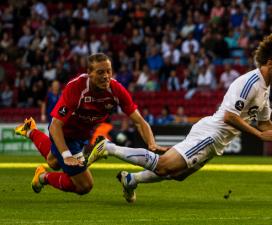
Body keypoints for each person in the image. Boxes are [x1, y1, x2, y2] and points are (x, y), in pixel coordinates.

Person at [87, 34, 272, 203]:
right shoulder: (250, 83)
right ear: (270, 63)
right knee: (165, 167)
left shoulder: (265, 88)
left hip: (217, 141)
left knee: (178, 175)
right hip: (212, 134)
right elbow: (230, 116)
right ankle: (109, 148)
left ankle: (131, 180)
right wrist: (260, 135)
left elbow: (263, 122)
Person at [14, 53, 165, 195]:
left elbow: (139, 121)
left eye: (108, 71)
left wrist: (151, 144)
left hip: (82, 136)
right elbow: (55, 125)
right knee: (84, 186)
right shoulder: (76, 88)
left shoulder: (116, 90)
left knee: (53, 162)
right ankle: (43, 177)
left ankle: (30, 130)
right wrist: (67, 155)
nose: (106, 76)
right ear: (89, 73)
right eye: (100, 72)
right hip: (64, 133)